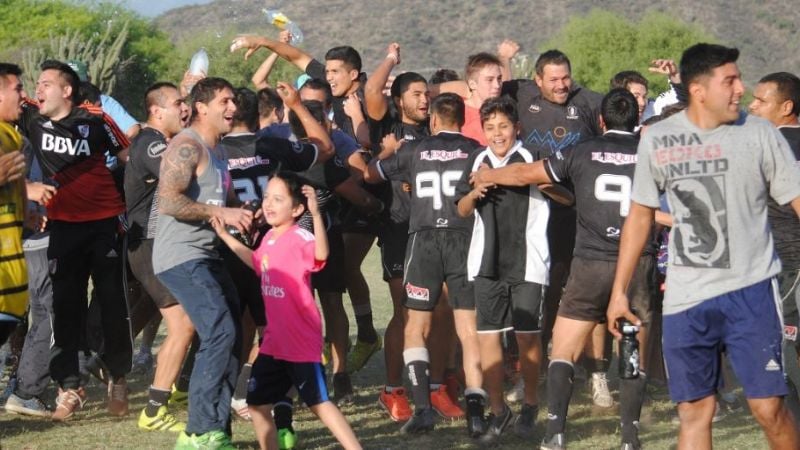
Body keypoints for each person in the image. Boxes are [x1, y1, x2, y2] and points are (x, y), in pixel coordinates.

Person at [608, 43, 800, 450]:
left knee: (768, 409)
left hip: (751, 290)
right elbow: (640, 215)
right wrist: (618, 292)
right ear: (698, 89)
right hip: (686, 298)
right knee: (695, 411)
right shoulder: (658, 138)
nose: (740, 89)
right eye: (729, 80)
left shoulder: (760, 133)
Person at [471, 89, 653, 449]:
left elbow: (526, 174)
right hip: (638, 265)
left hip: (590, 263)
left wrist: (488, 177)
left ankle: (555, 433)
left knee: (564, 350)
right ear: (637, 121)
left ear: (601, 121)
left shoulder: (583, 150)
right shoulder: (650, 155)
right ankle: (630, 437)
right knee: (631, 350)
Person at [210, 171, 362, 450]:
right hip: (273, 343)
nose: (268, 204)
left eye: (278, 199)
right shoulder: (268, 238)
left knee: (319, 403)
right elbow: (255, 261)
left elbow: (321, 255)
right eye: (267, 197)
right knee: (256, 404)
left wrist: (316, 216)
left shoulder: (300, 236)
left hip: (300, 341)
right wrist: (224, 236)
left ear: (296, 209)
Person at [364, 93, 484, 436]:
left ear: (433, 119)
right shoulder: (476, 151)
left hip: (425, 240)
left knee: (416, 325)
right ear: (461, 119)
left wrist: (387, 151)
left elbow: (372, 175)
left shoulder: (414, 149)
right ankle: (476, 412)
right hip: (464, 239)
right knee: (467, 329)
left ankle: (422, 409)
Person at [18, 60, 132, 421]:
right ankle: (70, 386)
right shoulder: (31, 116)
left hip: (103, 225)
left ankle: (118, 375)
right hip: (63, 227)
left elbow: (129, 155)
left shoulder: (96, 120)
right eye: (37, 83)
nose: (39, 89)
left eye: (46, 83)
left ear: (66, 91)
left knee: (112, 304)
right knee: (65, 308)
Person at [152, 77, 253, 449]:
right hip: (180, 257)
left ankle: (217, 429)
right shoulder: (184, 146)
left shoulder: (220, 151)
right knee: (221, 331)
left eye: (234, 101)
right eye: (225, 101)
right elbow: (168, 202)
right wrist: (220, 210)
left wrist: (247, 213)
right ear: (202, 107)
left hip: (209, 255)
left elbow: (224, 202)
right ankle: (196, 432)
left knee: (233, 337)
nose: (233, 108)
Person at [456, 96, 553, 445]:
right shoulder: (477, 160)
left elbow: (558, 191)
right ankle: (498, 409)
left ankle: (530, 403)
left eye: (504, 127)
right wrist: (475, 190)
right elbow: (463, 209)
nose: (497, 134)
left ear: (517, 128)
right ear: (482, 130)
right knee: (489, 338)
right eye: (490, 127)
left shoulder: (533, 157)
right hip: (486, 262)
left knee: (528, 338)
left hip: (528, 260)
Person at [122, 81, 194, 432]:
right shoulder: (150, 143)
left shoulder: (159, 141)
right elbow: (181, 171)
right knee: (183, 325)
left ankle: (176, 389)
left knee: (188, 321)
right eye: (178, 102)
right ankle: (153, 410)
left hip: (161, 245)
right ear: (156, 110)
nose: (184, 108)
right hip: (149, 245)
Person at [748, 71, 800, 417]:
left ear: (786, 107)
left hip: (787, 264)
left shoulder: (772, 147)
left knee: (779, 354)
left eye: (760, 101)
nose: (752, 106)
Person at [0, 63, 28, 347]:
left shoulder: (11, 135)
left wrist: (26, 208)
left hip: (11, 288)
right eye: (17, 88)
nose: (24, 94)